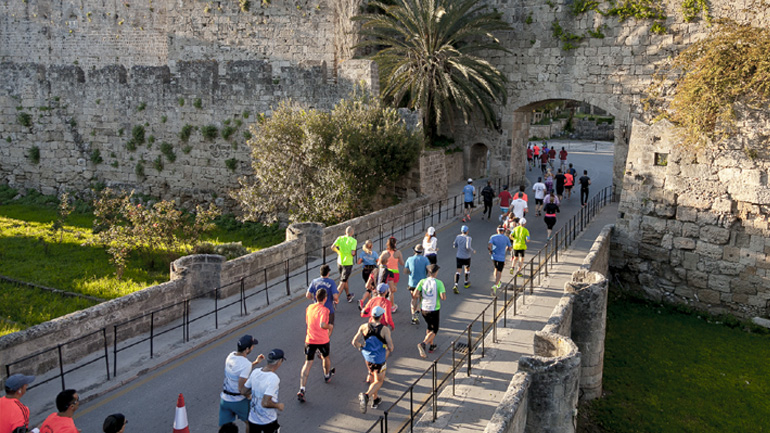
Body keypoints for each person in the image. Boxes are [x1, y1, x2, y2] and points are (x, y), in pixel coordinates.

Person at [352, 306, 394, 413]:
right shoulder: (385, 329)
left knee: (372, 375)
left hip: (368, 358)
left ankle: (375, 399)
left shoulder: (363, 327)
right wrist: (387, 353)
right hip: (379, 359)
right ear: (381, 316)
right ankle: (366, 396)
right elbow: (391, 346)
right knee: (379, 381)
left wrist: (361, 348)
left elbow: (354, 342)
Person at [220, 335, 264, 433]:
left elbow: (238, 370)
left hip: (225, 399)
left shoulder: (231, 355)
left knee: (224, 427)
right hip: (238, 400)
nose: (253, 347)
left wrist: (255, 363)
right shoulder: (246, 364)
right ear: (247, 349)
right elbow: (241, 389)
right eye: (252, 346)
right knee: (250, 423)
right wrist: (250, 396)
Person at [297, 289, 333, 403]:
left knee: (307, 363)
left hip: (310, 339)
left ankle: (302, 388)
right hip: (322, 340)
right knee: (326, 357)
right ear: (325, 298)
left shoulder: (309, 308)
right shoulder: (325, 310)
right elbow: (323, 324)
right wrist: (329, 327)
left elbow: (308, 322)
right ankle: (327, 375)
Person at [244, 349, 286, 433]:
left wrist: (251, 396)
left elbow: (243, 391)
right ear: (279, 362)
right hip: (268, 421)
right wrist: (278, 406)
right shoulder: (273, 378)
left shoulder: (255, 372)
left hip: (253, 420)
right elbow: (265, 403)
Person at [413, 264, 446, 358]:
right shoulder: (439, 283)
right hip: (434, 308)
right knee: (435, 329)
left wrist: (423, 296)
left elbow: (415, 294)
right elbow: (443, 298)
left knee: (429, 326)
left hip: (424, 308)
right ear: (436, 272)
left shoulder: (422, 281)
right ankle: (423, 344)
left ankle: (432, 345)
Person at [306, 265, 339, 337]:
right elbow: (335, 296)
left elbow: (307, 295)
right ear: (328, 273)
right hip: (329, 310)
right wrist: (336, 300)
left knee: (317, 326)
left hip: (317, 309)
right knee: (329, 327)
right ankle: (325, 340)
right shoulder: (331, 282)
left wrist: (314, 298)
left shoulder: (314, 281)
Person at [403, 244, 430, 325]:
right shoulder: (425, 259)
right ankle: (418, 311)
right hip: (422, 283)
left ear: (414, 251)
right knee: (422, 299)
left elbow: (405, 271)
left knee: (413, 299)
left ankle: (413, 316)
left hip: (412, 283)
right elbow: (429, 270)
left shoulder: (409, 259)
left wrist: (411, 272)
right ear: (422, 252)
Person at [331, 226, 357, 303]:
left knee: (345, 280)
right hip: (348, 263)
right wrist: (353, 254)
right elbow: (353, 253)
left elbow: (332, 247)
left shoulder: (340, 238)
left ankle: (348, 295)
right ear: (352, 233)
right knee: (342, 281)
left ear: (345, 232)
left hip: (340, 262)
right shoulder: (353, 241)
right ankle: (335, 299)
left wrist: (338, 252)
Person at [378, 237, 404, 313]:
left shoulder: (384, 253)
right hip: (395, 273)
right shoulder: (398, 252)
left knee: (384, 289)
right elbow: (402, 263)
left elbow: (379, 262)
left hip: (386, 272)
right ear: (395, 244)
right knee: (391, 291)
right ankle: (392, 306)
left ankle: (383, 304)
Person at [488, 226, 511, 295]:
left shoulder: (493, 237)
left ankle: (497, 282)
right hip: (501, 257)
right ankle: (495, 285)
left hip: (494, 256)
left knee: (496, 268)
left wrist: (490, 250)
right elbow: (510, 248)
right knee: (499, 271)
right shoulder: (506, 238)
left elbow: (489, 246)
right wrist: (507, 248)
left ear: (497, 230)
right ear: (503, 231)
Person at [452, 225, 476, 293]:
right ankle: (466, 282)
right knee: (467, 268)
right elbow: (468, 247)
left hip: (459, 256)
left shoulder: (458, 237)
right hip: (466, 256)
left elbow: (454, 245)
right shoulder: (468, 238)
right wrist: (473, 250)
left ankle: (456, 285)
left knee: (458, 271)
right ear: (467, 231)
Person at [357, 240, 378, 310]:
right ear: (371, 246)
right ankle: (362, 300)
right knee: (371, 287)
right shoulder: (374, 253)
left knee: (368, 286)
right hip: (372, 271)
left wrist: (364, 260)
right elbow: (378, 262)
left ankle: (370, 301)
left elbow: (359, 262)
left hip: (365, 271)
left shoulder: (362, 253)